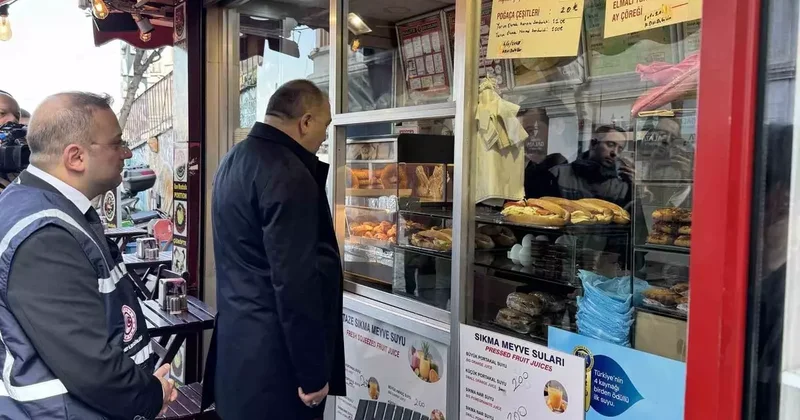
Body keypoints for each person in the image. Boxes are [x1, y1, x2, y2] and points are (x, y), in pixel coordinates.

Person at [0, 92, 177, 418]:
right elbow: (91, 365)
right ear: (76, 157)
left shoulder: (48, 206)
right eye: (117, 143)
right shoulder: (44, 236)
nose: (126, 153)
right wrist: (152, 395)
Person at [203, 79, 345, 419]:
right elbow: (296, 283)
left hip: (238, 354)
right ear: (306, 122)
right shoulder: (288, 173)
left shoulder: (234, 160)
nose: (325, 137)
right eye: (324, 126)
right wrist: (312, 374)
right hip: (277, 368)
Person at [547, 125, 633, 207]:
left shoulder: (621, 188)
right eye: (610, 144)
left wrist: (635, 188)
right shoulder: (558, 174)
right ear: (593, 144)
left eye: (620, 149)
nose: (615, 153)